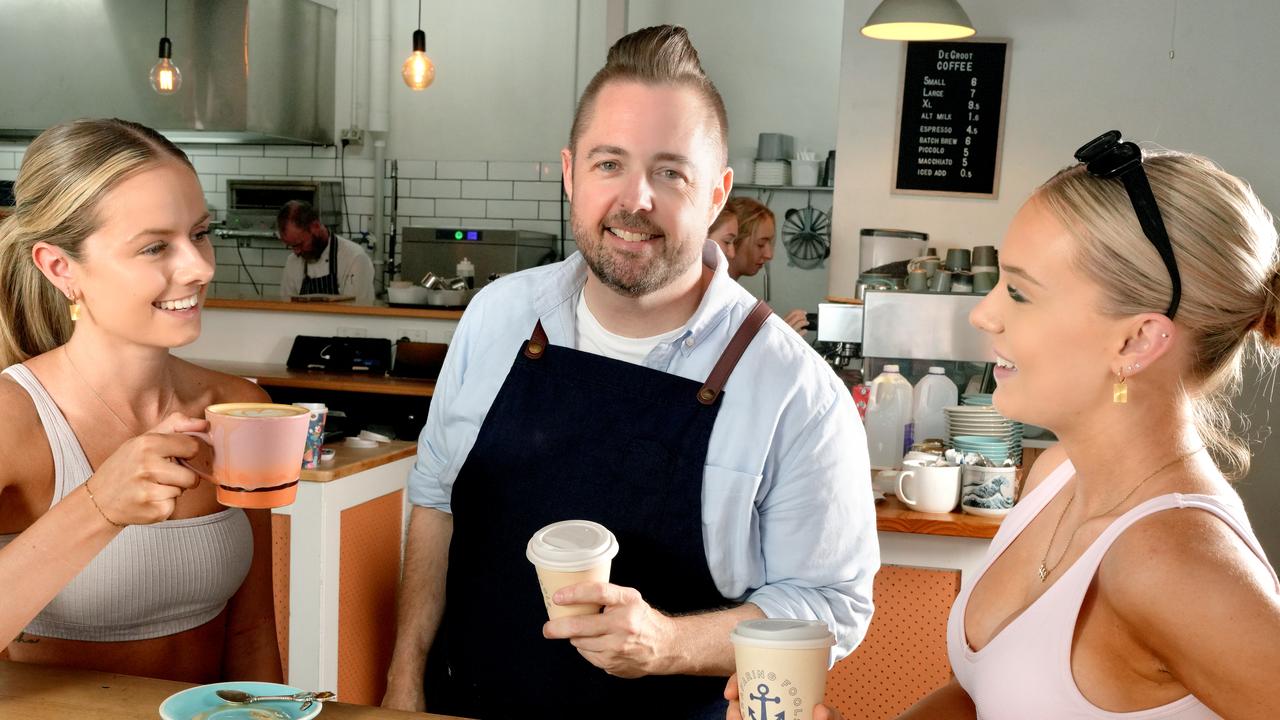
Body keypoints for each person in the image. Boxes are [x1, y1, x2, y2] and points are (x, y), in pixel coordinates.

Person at [382, 25, 877, 719]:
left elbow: (829, 609)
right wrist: (403, 685)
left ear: (716, 194)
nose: (634, 198)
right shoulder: (497, 318)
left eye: (670, 171)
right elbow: (436, 504)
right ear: (569, 173)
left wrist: (669, 643)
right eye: (608, 163)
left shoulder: (794, 391)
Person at [730, 132, 1280, 719]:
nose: (983, 312)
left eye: (1019, 292)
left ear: (1137, 339)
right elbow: (980, 698)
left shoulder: (1174, 559)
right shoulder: (1055, 475)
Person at [0, 119, 282, 683]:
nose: (200, 268)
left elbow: (251, 630)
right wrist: (99, 505)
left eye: (200, 233)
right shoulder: (13, 418)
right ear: (60, 267)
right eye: (155, 246)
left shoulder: (239, 404)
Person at [725, 196, 809, 334]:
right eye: (760, 244)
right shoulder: (719, 297)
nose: (769, 255)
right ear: (734, 240)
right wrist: (779, 337)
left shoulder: (734, 295)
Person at [276, 200, 375, 304]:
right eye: (291, 246)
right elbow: (287, 310)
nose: (296, 252)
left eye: (299, 244)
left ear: (316, 226)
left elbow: (358, 313)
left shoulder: (354, 258)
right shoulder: (292, 262)